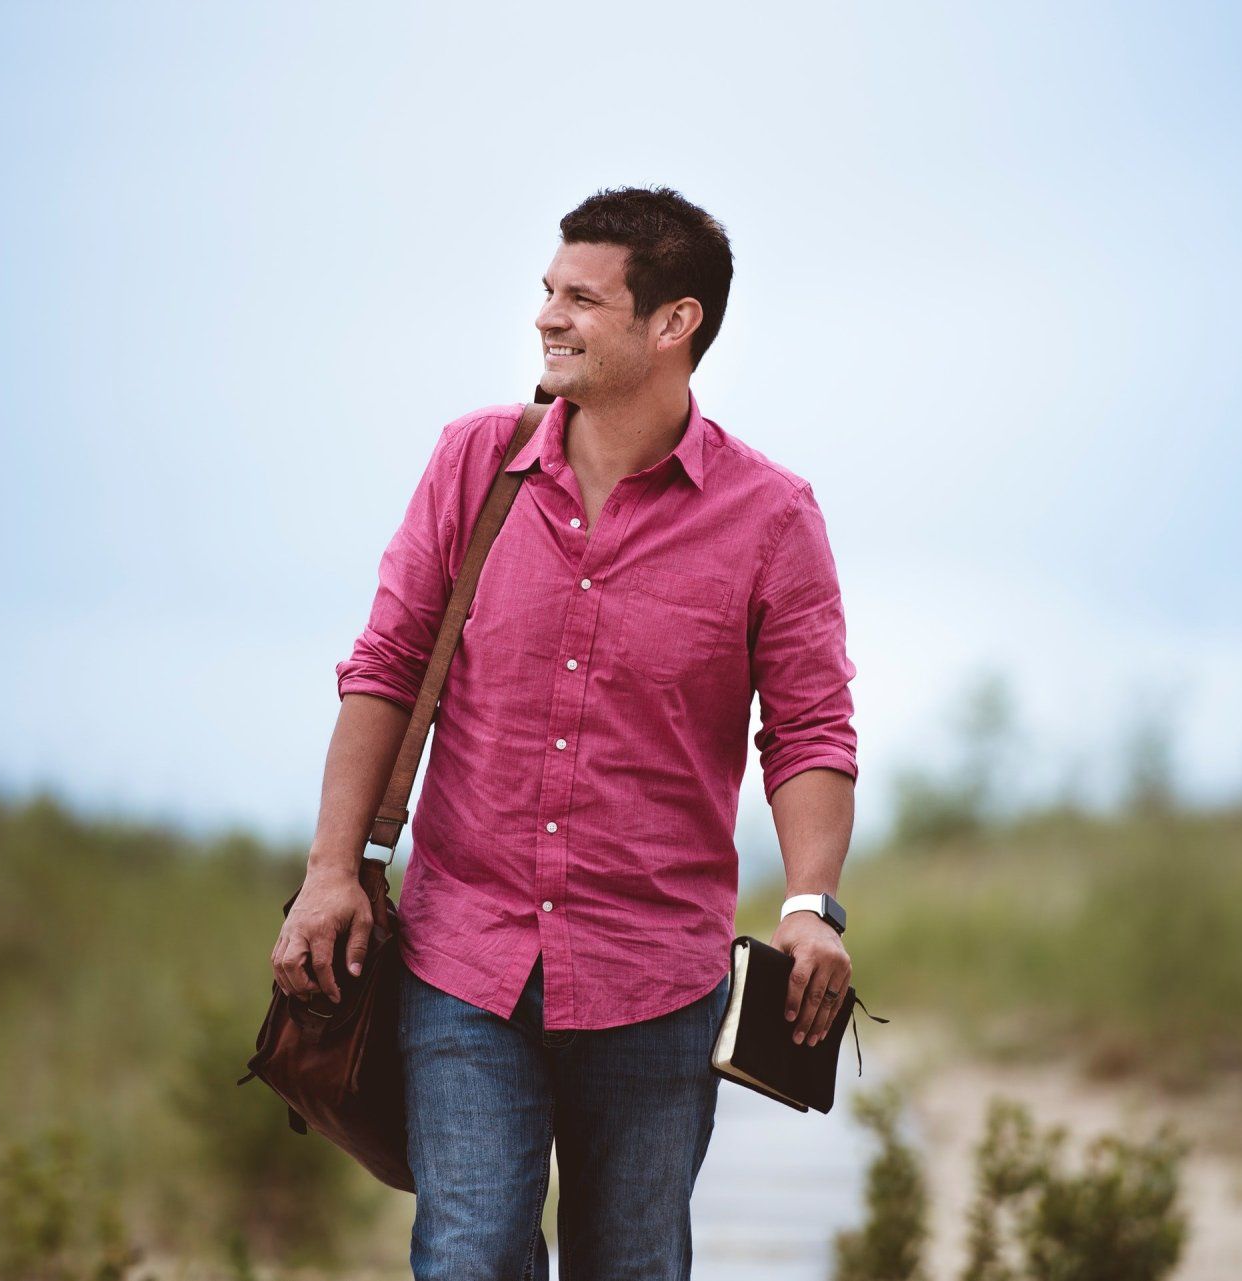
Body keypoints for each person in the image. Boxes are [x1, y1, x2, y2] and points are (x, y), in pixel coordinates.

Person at [271, 185, 859, 1280]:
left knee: (630, 1268)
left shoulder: (772, 517)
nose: (547, 316)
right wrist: (329, 870)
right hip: (465, 962)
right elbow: (387, 666)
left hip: (659, 982)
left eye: (582, 299)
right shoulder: (473, 464)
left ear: (672, 323)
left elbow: (813, 728)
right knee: (470, 1257)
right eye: (548, 291)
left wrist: (811, 907)